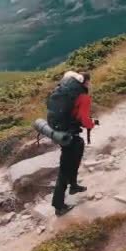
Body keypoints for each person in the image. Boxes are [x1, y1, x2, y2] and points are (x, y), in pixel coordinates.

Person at [47, 71, 97, 216]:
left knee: (78, 147)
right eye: (89, 82)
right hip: (69, 133)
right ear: (85, 82)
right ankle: (58, 206)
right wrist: (91, 124)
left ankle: (73, 186)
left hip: (60, 130)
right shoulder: (83, 97)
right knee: (65, 169)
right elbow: (84, 119)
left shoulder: (63, 91)